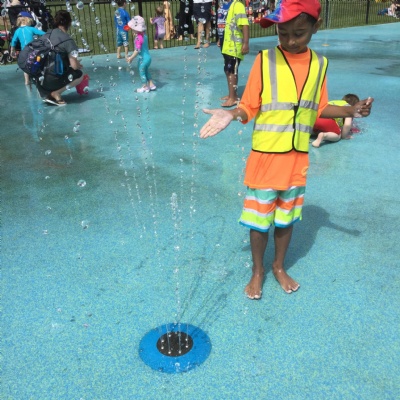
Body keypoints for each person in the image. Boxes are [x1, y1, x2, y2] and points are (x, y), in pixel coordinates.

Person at [200, 0, 373, 299]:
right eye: (283, 33)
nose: (290, 40)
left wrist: (351, 111)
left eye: (299, 33)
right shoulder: (265, 60)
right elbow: (249, 105)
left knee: (287, 217)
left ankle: (278, 266)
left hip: (296, 159)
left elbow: (319, 107)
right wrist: (231, 114)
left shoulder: (320, 64)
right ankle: (258, 270)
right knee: (259, 220)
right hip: (265, 157)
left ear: (316, 27)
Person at [35, 10, 84, 106]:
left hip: (40, 81)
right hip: (52, 80)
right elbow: (74, 66)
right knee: (80, 74)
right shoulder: (68, 40)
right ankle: (56, 93)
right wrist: (77, 64)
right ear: (69, 23)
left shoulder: (46, 35)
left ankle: (47, 93)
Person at [220, 0, 249, 107]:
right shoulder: (227, 6)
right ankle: (232, 95)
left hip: (234, 47)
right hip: (227, 46)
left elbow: (245, 25)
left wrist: (245, 43)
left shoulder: (237, 5)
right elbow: (226, 25)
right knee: (227, 70)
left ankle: (233, 98)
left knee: (232, 71)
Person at [11, 13, 45, 84]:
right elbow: (43, 33)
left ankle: (27, 81)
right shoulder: (31, 29)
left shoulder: (17, 31)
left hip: (24, 52)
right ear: (28, 20)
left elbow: (13, 41)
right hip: (33, 50)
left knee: (25, 66)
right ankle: (37, 77)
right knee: (36, 63)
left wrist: (12, 50)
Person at [126, 16, 156, 93]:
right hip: (148, 58)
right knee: (146, 71)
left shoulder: (138, 39)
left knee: (141, 72)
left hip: (143, 59)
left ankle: (145, 87)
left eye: (133, 28)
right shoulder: (144, 35)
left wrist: (131, 58)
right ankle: (151, 84)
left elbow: (137, 50)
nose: (132, 30)